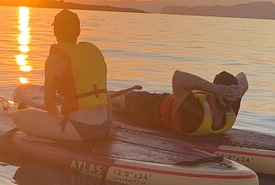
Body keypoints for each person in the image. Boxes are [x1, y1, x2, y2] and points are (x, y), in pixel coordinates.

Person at [13, 9, 112, 141]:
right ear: (78, 31)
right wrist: (109, 125)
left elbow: (49, 104)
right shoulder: (95, 52)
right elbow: (106, 98)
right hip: (105, 128)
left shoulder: (53, 60)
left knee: (19, 117)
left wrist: (59, 117)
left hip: (79, 131)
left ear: (55, 31)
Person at [111, 69, 248, 136]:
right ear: (213, 95)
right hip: (151, 107)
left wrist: (238, 90)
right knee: (115, 102)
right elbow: (178, 76)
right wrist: (215, 89)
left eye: (232, 96)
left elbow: (242, 75)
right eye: (225, 95)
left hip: (170, 104)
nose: (229, 100)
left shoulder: (232, 103)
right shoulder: (196, 111)